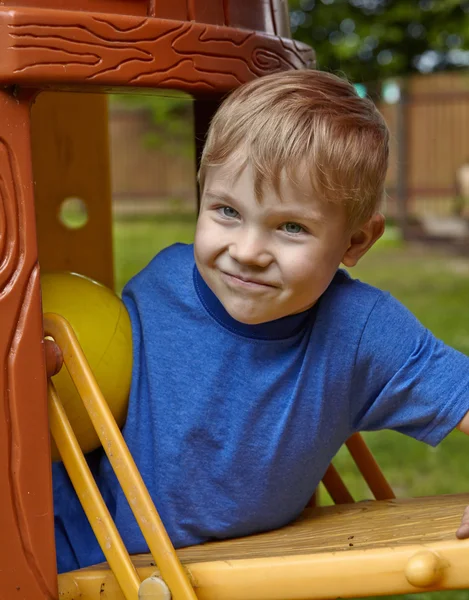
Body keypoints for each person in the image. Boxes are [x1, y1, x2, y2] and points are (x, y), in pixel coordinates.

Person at [53, 69, 469, 573]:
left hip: (212, 566)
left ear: (356, 242)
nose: (247, 252)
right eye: (226, 211)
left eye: (291, 227)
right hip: (72, 531)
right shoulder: (162, 282)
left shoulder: (359, 330)